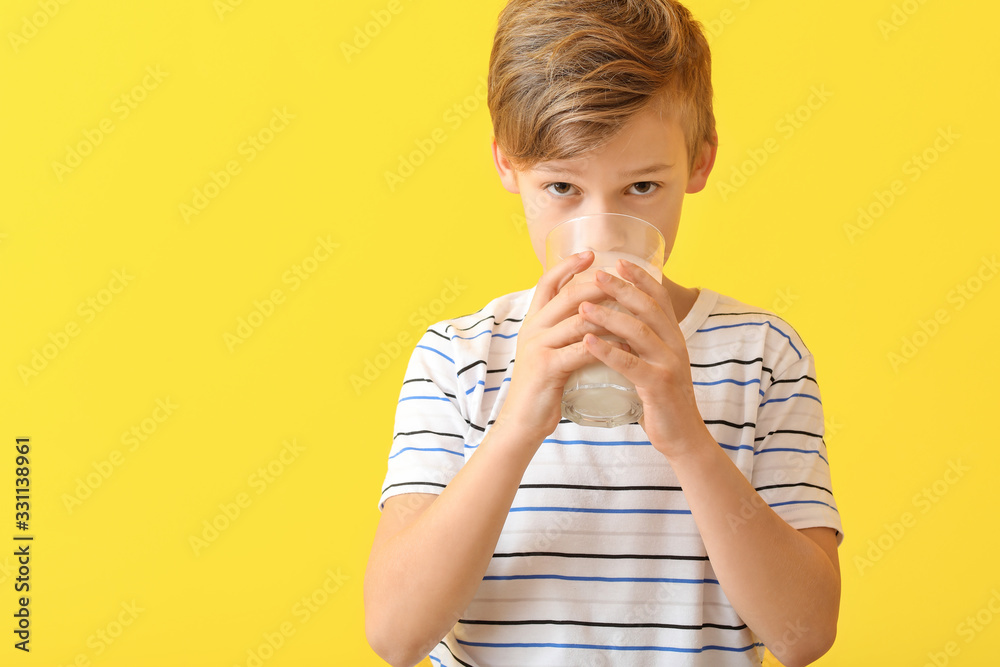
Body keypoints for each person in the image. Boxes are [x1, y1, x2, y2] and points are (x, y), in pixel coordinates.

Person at [364, 1, 843, 665]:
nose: (605, 233)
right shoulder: (458, 359)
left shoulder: (762, 356)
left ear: (699, 163)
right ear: (508, 166)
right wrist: (516, 428)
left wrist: (691, 443)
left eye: (642, 185)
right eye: (562, 186)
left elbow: (804, 634)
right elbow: (395, 632)